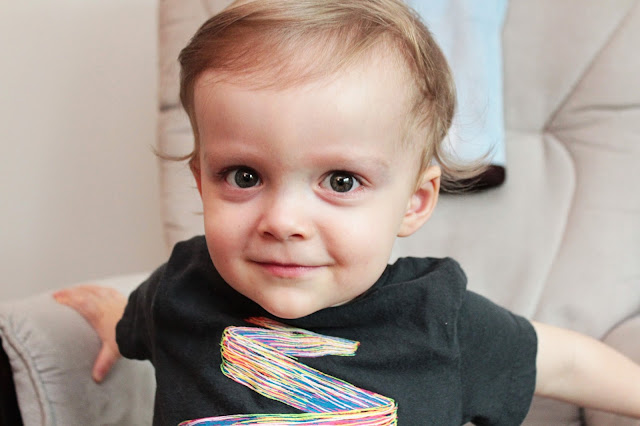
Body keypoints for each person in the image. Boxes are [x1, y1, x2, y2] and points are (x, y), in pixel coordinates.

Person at [53, 0, 640, 424]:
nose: (283, 221)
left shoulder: (438, 317)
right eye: (244, 176)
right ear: (200, 182)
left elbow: (565, 364)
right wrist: (112, 319)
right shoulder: (180, 288)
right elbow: (134, 322)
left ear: (414, 202)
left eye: (341, 181)